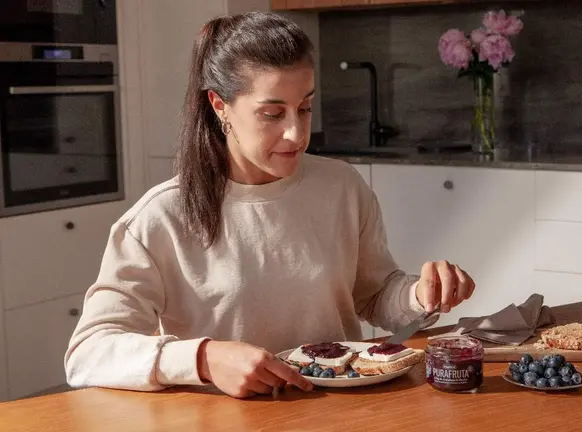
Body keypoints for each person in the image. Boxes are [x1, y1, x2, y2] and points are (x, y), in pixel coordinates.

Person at [64, 11, 476, 399]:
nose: (296, 133)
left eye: (305, 107)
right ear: (219, 105)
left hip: (337, 411)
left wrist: (421, 294)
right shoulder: (161, 218)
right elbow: (89, 352)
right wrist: (204, 359)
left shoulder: (342, 186)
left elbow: (373, 296)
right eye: (272, 113)